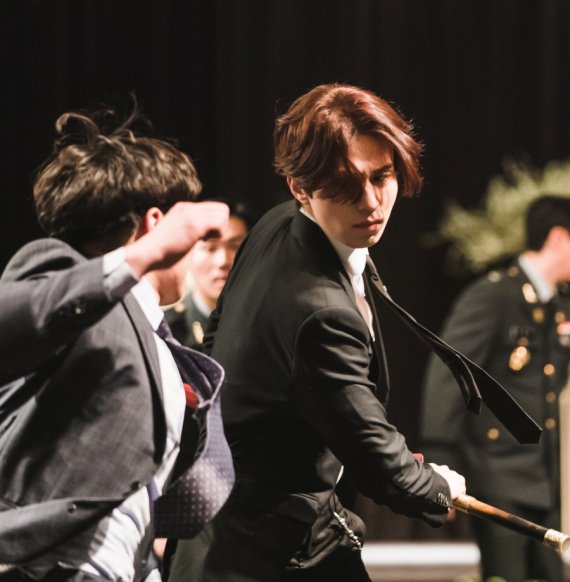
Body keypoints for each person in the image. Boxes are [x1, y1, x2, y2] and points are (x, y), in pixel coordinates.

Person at [167, 83, 467, 582]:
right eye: (346, 185)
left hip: (267, 528)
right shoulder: (319, 308)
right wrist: (435, 487)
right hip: (260, 552)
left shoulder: (276, 225)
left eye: (382, 176)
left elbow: (213, 350)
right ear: (300, 188)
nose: (370, 203)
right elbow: (372, 452)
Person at [0, 107, 232, 581]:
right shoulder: (62, 274)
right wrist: (146, 253)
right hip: (46, 566)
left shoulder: (155, 335)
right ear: (155, 222)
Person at [420, 195, 570, 582]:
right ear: (559, 238)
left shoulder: (557, 305)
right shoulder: (494, 295)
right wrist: (440, 464)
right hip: (499, 476)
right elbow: (449, 375)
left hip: (544, 480)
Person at [165, 199, 251, 349]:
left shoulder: (267, 321)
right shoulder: (170, 328)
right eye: (210, 248)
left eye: (235, 246)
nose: (222, 261)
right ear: (189, 253)